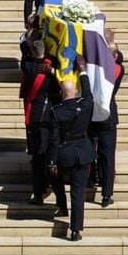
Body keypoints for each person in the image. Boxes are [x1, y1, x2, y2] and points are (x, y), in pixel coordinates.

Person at [47, 59, 95, 242]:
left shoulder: (56, 112)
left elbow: (53, 140)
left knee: (54, 177)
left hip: (64, 153)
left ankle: (61, 204)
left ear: (61, 93)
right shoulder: (85, 105)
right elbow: (89, 94)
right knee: (78, 191)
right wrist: (82, 71)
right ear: (75, 91)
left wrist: (52, 161)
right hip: (82, 151)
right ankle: (75, 230)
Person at [19, 40, 62, 207]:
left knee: (39, 157)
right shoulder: (53, 66)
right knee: (50, 155)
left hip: (38, 116)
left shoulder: (29, 66)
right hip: (52, 114)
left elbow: (24, 52)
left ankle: (38, 193)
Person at [88, 42, 124, 208]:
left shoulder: (94, 69)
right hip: (108, 116)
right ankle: (106, 194)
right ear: (115, 56)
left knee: (90, 150)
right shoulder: (116, 68)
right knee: (108, 156)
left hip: (92, 113)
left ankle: (90, 180)